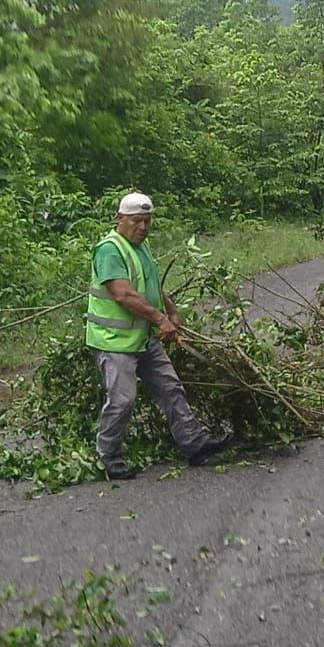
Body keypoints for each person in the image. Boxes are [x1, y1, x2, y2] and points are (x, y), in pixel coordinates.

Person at [85, 192, 232, 479]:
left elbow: (151, 285)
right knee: (122, 401)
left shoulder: (141, 247)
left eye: (147, 221)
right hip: (114, 342)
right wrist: (160, 319)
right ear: (120, 218)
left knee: (170, 387)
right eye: (137, 221)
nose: (142, 227)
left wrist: (171, 312)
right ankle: (108, 458)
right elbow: (124, 295)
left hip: (143, 337)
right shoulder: (110, 250)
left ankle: (194, 445)